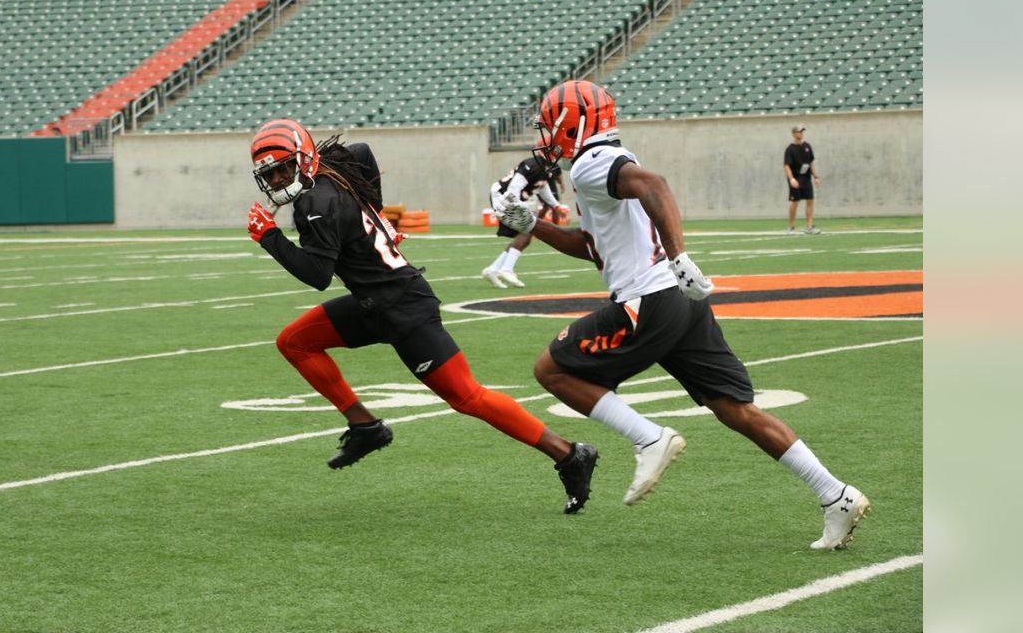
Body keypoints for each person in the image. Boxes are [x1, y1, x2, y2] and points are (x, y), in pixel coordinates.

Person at [496, 82, 870, 549]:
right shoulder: (602, 161)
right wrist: (532, 223)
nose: (547, 134)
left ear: (575, 120)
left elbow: (656, 185)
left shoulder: (592, 163)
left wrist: (678, 254)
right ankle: (834, 494)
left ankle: (648, 438)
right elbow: (593, 247)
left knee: (550, 370)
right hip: (677, 303)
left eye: (552, 123)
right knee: (735, 409)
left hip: (647, 299)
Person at [245, 119, 597, 513]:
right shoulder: (332, 164)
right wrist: (375, 213)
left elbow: (317, 276)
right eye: (270, 173)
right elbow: (361, 151)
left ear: (305, 158)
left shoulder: (315, 205)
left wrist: (269, 237)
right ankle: (365, 426)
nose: (278, 178)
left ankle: (569, 454)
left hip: (402, 307)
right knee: (295, 342)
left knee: (466, 396)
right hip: (373, 301)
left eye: (284, 168)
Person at [482, 156, 569, 288]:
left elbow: (542, 188)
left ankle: (494, 269)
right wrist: (517, 206)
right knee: (529, 229)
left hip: (509, 197)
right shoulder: (533, 164)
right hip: (503, 196)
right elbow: (514, 186)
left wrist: (556, 205)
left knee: (526, 233)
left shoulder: (546, 167)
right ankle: (506, 269)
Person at [784, 124, 821, 234]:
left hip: (806, 178)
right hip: (795, 178)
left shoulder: (807, 146)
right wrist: (791, 179)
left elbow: (811, 163)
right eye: (799, 132)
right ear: (794, 134)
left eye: (802, 131)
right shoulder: (790, 149)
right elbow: (786, 166)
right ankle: (791, 227)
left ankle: (809, 227)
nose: (801, 133)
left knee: (810, 200)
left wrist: (816, 177)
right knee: (794, 202)